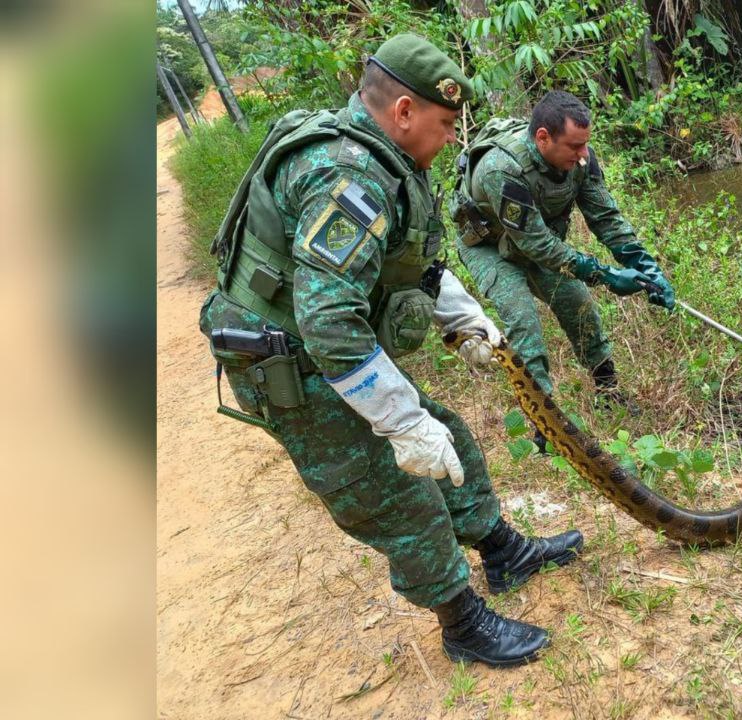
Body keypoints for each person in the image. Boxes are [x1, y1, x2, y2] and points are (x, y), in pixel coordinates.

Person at [197, 34, 581, 668]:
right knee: (397, 489)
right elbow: (328, 324)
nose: (454, 139)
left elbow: (409, 260)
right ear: (404, 111)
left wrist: (463, 317)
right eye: (447, 124)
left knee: (449, 436)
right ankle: (462, 622)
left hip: (320, 347)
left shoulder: (384, 161)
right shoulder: (347, 176)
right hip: (286, 361)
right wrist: (400, 421)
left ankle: (504, 553)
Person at [449, 90, 675, 446]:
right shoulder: (501, 169)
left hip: (536, 240)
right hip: (489, 246)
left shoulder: (581, 160)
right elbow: (536, 243)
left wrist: (645, 266)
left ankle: (608, 390)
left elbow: (606, 218)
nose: (583, 154)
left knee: (578, 304)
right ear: (543, 138)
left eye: (585, 145)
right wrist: (606, 275)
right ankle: (545, 423)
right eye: (573, 146)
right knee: (523, 320)